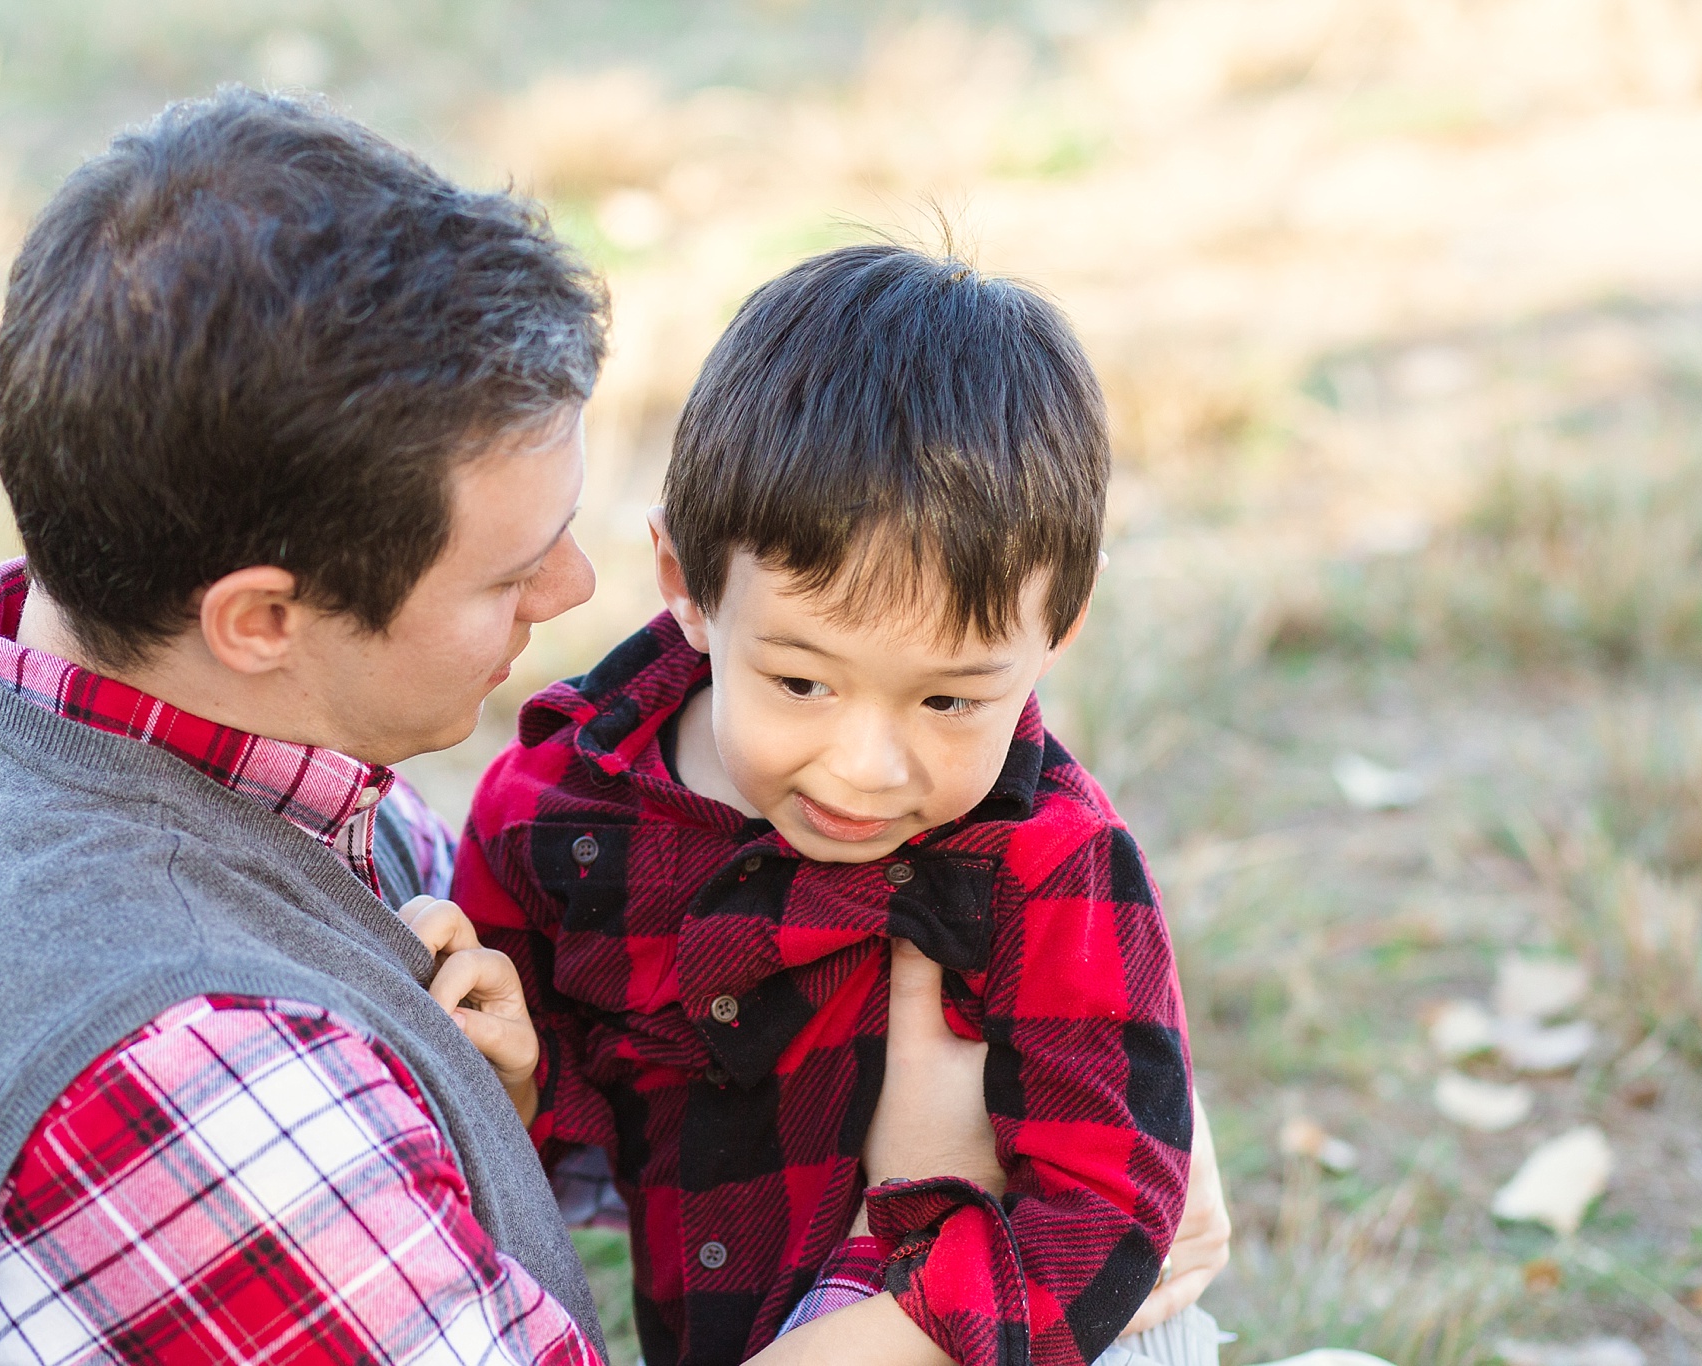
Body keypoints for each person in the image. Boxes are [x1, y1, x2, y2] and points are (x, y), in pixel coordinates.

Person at [0, 90, 1034, 1366]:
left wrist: (498, 1109)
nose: (573, 589)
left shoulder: (124, 721)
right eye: (503, 571)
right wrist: (934, 1230)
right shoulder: (203, 1087)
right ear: (260, 619)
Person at [456, 244, 1217, 1366]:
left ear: (1059, 624)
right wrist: (519, 1073)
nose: (865, 766)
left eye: (950, 698)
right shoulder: (559, 813)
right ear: (687, 586)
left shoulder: (1046, 861)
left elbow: (1106, 1218)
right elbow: (559, 1147)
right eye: (801, 682)